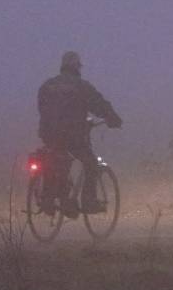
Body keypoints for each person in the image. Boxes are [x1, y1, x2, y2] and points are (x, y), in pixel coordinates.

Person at [37, 51, 122, 216]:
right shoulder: (81, 86)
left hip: (48, 134)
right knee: (91, 164)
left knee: (58, 159)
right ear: (77, 66)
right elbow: (98, 104)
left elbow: (41, 108)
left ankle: (55, 198)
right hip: (73, 135)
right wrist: (113, 118)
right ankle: (89, 202)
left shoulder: (47, 85)